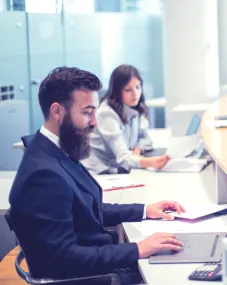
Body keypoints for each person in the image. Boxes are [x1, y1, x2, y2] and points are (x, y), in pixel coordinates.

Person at [8, 67, 185, 284]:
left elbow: (85, 208)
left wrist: (145, 210)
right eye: (87, 112)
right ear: (57, 111)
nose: (94, 122)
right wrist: (137, 249)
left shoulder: (55, 149)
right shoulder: (44, 175)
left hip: (100, 265)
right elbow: (61, 258)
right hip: (93, 277)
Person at [82, 64, 169, 174]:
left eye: (138, 87)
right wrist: (149, 162)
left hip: (119, 169)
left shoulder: (134, 107)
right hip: (102, 172)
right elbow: (122, 157)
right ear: (117, 91)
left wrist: (137, 150)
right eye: (128, 89)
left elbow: (144, 137)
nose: (135, 94)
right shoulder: (106, 114)